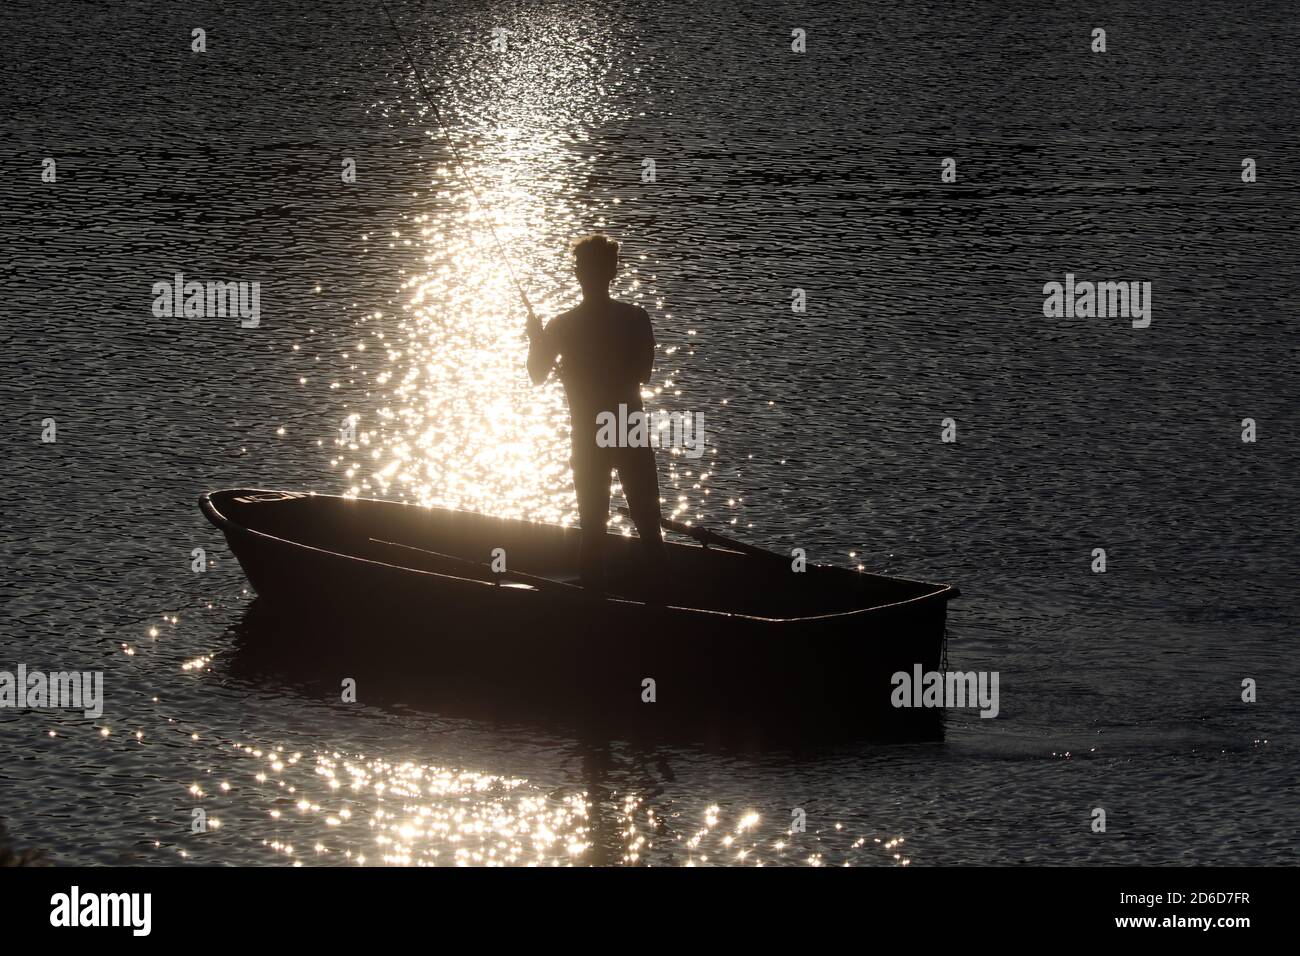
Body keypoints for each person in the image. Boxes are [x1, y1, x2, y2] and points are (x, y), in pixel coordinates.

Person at [526, 234, 668, 594]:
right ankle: (662, 598)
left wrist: (538, 342)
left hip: (590, 435)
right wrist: (539, 340)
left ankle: (592, 604)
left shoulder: (562, 326)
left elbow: (536, 375)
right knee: (649, 525)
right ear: (613, 272)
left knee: (593, 525)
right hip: (628, 428)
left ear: (578, 274)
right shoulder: (635, 318)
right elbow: (643, 373)